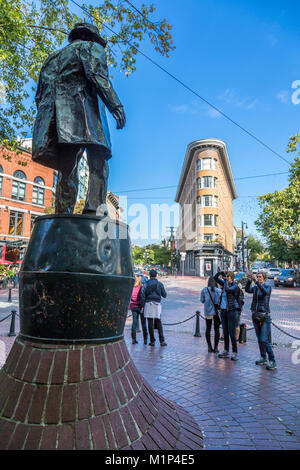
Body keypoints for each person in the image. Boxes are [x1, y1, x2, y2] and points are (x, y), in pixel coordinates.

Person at [32, 22, 125, 215]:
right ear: (92, 37)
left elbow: (39, 97)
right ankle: (95, 210)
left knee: (67, 169)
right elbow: (98, 77)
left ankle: (63, 214)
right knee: (98, 162)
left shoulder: (51, 59)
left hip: (60, 123)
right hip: (87, 116)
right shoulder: (92, 48)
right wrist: (115, 105)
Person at [245, 271, 277, 370]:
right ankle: (263, 357)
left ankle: (272, 361)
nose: (258, 278)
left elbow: (265, 292)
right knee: (259, 339)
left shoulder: (267, 287)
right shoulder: (255, 288)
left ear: (264, 278)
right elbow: (247, 290)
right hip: (255, 314)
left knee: (264, 339)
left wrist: (256, 282)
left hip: (264, 315)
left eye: (260, 277)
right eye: (257, 277)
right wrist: (249, 280)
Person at [214, 271, 240, 361]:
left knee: (232, 333)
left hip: (231, 311)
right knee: (225, 332)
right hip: (223, 311)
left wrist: (225, 281)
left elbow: (229, 290)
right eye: (226, 276)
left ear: (232, 278)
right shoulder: (225, 284)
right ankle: (226, 350)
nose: (227, 278)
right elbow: (215, 278)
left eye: (228, 277)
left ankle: (235, 352)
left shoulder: (235, 286)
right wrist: (220, 273)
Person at [141, 269, 167, 346]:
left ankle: (152, 341)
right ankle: (162, 341)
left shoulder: (146, 283)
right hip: (157, 304)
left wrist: (143, 305)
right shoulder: (160, 284)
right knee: (158, 322)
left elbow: (142, 295)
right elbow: (164, 295)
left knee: (150, 323)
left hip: (148, 303)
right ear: (156, 275)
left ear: (149, 275)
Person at [200, 277, 222, 353]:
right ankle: (216, 348)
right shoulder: (219, 290)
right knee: (217, 329)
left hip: (208, 312)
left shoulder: (204, 290)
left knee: (208, 329)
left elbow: (202, 300)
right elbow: (220, 302)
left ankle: (209, 347)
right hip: (216, 312)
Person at [129, 275, 148, 345]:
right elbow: (143, 298)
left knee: (134, 323)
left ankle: (133, 340)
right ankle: (145, 340)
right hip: (140, 307)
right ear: (140, 281)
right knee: (143, 323)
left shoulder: (131, 288)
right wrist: (143, 306)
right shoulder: (141, 288)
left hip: (133, 307)